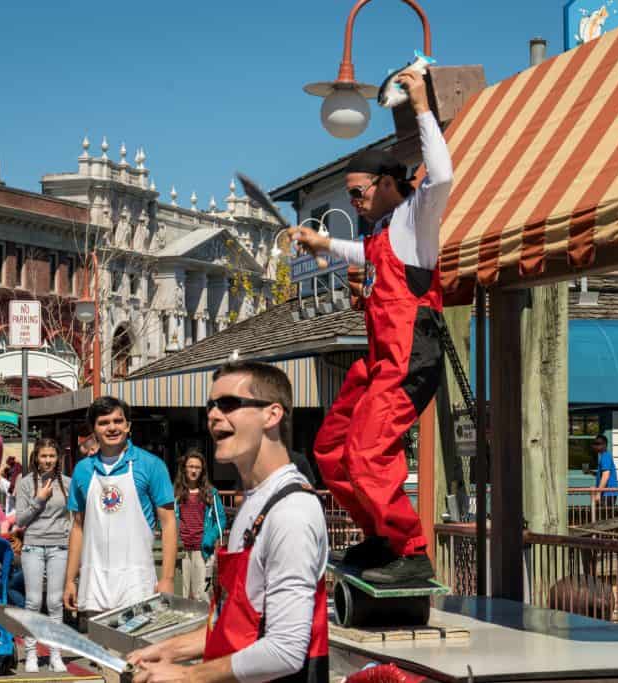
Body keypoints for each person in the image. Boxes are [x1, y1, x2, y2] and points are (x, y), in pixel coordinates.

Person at [292, 69, 452, 583]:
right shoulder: (384, 235)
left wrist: (422, 102)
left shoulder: (415, 219)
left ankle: (412, 552)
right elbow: (362, 250)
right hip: (381, 359)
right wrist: (323, 245)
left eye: (358, 193)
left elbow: (443, 176)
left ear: (386, 184)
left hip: (410, 357)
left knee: (365, 451)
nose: (354, 203)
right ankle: (379, 539)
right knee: (331, 448)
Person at [128, 360, 328, 683]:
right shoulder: (255, 500)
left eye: (229, 404)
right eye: (211, 405)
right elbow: (234, 626)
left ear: (272, 415)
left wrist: (187, 676)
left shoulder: (292, 512)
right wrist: (171, 650)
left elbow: (286, 650)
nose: (213, 415)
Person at [63, 397, 177, 619]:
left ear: (128, 425)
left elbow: (169, 523)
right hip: (94, 582)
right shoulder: (83, 470)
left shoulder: (151, 465)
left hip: (137, 581)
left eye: (118, 420)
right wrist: (69, 580)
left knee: (138, 652)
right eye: (104, 422)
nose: (112, 427)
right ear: (93, 429)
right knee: (99, 652)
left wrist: (168, 578)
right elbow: (77, 527)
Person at [14, 438, 70, 672]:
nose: (47, 460)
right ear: (36, 457)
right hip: (34, 546)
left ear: (58, 458)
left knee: (55, 602)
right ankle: (31, 654)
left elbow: (73, 516)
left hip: (60, 546)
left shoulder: (67, 483)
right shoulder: (26, 483)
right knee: (34, 601)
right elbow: (20, 519)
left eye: (52, 456)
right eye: (43, 456)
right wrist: (39, 500)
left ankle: (56, 654)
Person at [172, 449, 225, 602]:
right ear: (184, 468)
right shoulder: (175, 492)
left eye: (197, 467)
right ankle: (183, 626)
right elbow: (166, 518)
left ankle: (203, 626)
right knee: (180, 595)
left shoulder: (210, 493)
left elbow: (220, 519)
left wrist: (211, 537)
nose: (194, 470)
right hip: (181, 550)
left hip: (202, 551)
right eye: (190, 466)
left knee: (201, 595)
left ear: (202, 471)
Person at [591, 435, 618, 510]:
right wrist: (592, 473)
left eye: (598, 444)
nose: (595, 446)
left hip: (607, 494)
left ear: (604, 445)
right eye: (594, 443)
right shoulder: (605, 456)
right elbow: (603, 474)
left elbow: (606, 475)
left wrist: (598, 493)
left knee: (604, 519)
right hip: (607, 493)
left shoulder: (605, 456)